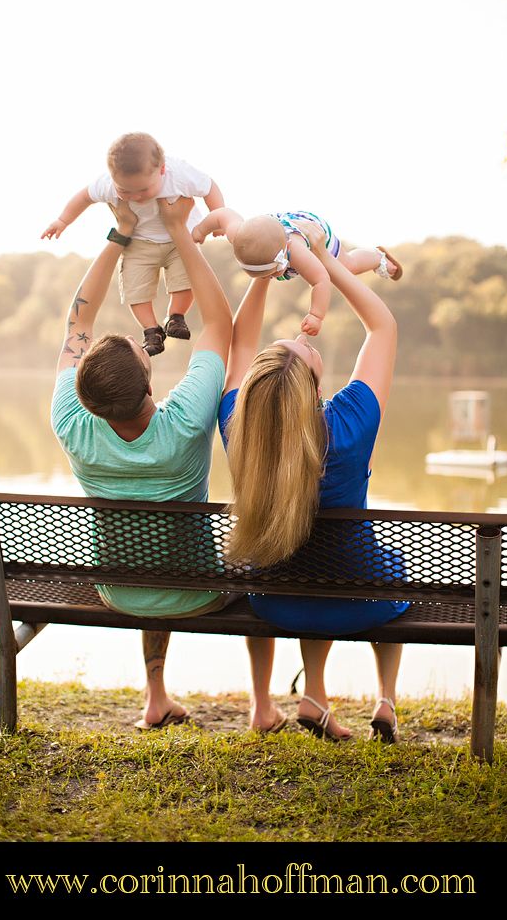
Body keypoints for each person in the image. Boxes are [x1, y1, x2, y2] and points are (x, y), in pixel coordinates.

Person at [217, 219, 408, 742]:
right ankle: (386, 701)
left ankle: (314, 695)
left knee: (304, 557)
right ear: (312, 385)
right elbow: (383, 327)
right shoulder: (348, 426)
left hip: (277, 598)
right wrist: (321, 258)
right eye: (305, 352)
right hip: (357, 593)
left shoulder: (240, 425)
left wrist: (262, 275)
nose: (305, 343)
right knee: (386, 567)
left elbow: (239, 345)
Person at [51, 196, 232, 730]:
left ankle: (155, 695)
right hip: (197, 591)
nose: (138, 337)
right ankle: (259, 705)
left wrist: (119, 234)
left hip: (120, 588)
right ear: (150, 382)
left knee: (144, 551)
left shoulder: (71, 423)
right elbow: (220, 323)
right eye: (136, 345)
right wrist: (178, 232)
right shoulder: (183, 424)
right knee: (191, 557)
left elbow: (76, 320)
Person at [42, 132, 225, 356]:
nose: (136, 197)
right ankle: (151, 330)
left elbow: (209, 188)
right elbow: (84, 197)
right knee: (134, 288)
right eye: (125, 191)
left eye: (144, 190)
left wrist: (217, 218)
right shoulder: (107, 184)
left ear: (162, 170)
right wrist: (63, 220)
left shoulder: (179, 174)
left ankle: (176, 316)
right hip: (139, 242)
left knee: (186, 280)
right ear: (113, 178)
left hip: (180, 239)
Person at [193, 206, 402, 336]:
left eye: (271, 274)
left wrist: (316, 315)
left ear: (283, 257)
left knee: (346, 267)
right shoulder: (237, 234)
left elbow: (321, 279)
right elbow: (222, 215)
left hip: (312, 231)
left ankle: (376, 257)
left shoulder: (297, 252)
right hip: (269, 232)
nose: (268, 279)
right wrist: (202, 230)